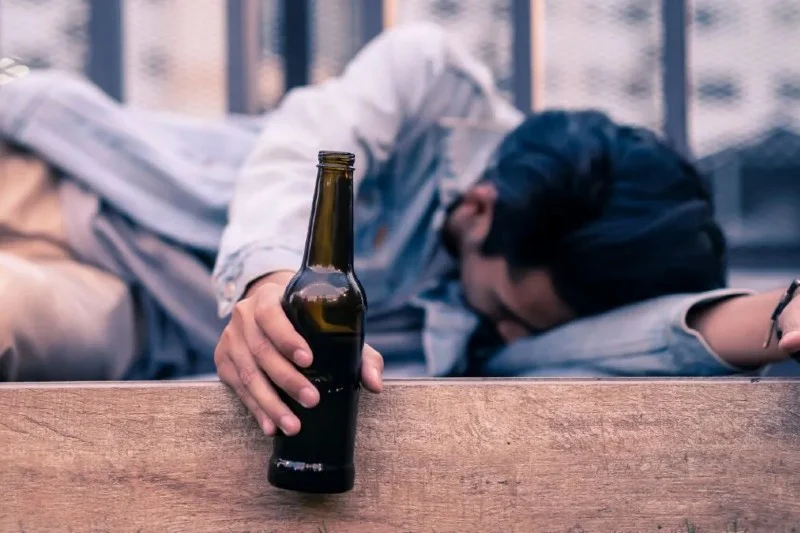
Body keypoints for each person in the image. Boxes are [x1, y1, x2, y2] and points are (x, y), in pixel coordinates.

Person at [1, 24, 799, 427]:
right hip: (74, 179)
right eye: (508, 307)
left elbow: (647, 335)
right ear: (478, 207)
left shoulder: (517, 330)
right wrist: (274, 282)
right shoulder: (432, 81)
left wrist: (777, 315)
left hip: (128, 317)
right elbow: (310, 143)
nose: (508, 335)